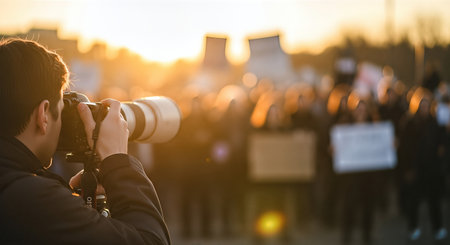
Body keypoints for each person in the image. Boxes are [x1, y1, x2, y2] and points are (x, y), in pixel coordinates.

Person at [0, 38, 171, 244]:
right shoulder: (30, 199)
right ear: (44, 114)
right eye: (62, 111)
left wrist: (68, 201)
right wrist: (117, 161)